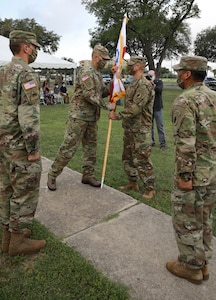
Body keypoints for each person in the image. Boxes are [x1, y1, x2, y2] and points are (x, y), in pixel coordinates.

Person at [166, 56, 216, 284]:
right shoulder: (213, 96)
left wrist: (185, 177)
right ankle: (203, 263)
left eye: (179, 72)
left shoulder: (185, 101)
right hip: (212, 171)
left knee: (187, 219)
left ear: (187, 74)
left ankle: (191, 267)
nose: (177, 75)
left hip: (194, 173)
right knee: (204, 218)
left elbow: (185, 144)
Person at [0, 30, 46, 256]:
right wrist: (34, 150)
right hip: (18, 145)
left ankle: (8, 237)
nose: (35, 50)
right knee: (24, 190)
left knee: (6, 189)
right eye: (34, 47)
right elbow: (29, 116)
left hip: (2, 144)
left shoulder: (2, 71)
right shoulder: (26, 74)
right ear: (26, 47)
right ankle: (17, 242)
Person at [47, 44, 115, 190]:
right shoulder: (86, 71)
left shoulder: (96, 73)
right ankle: (52, 174)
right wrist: (107, 106)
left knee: (91, 148)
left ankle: (87, 175)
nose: (105, 62)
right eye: (104, 59)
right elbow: (89, 94)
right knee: (69, 147)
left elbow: (101, 91)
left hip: (91, 117)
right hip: (79, 117)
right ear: (96, 57)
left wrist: (114, 85)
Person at [109, 56, 155, 199]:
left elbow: (136, 108)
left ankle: (150, 188)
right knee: (127, 157)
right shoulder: (134, 83)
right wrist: (117, 78)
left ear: (137, 66)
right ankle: (132, 182)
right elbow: (124, 94)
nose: (128, 67)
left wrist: (117, 116)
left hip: (140, 129)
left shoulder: (143, 85)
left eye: (130, 65)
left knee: (142, 159)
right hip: (130, 128)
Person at [147, 70, 167, 150]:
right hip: (149, 107)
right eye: (149, 76)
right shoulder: (146, 83)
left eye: (151, 75)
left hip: (157, 107)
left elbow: (159, 90)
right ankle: (151, 141)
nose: (150, 77)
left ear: (154, 75)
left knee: (160, 126)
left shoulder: (159, 82)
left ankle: (163, 143)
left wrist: (153, 84)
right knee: (149, 126)